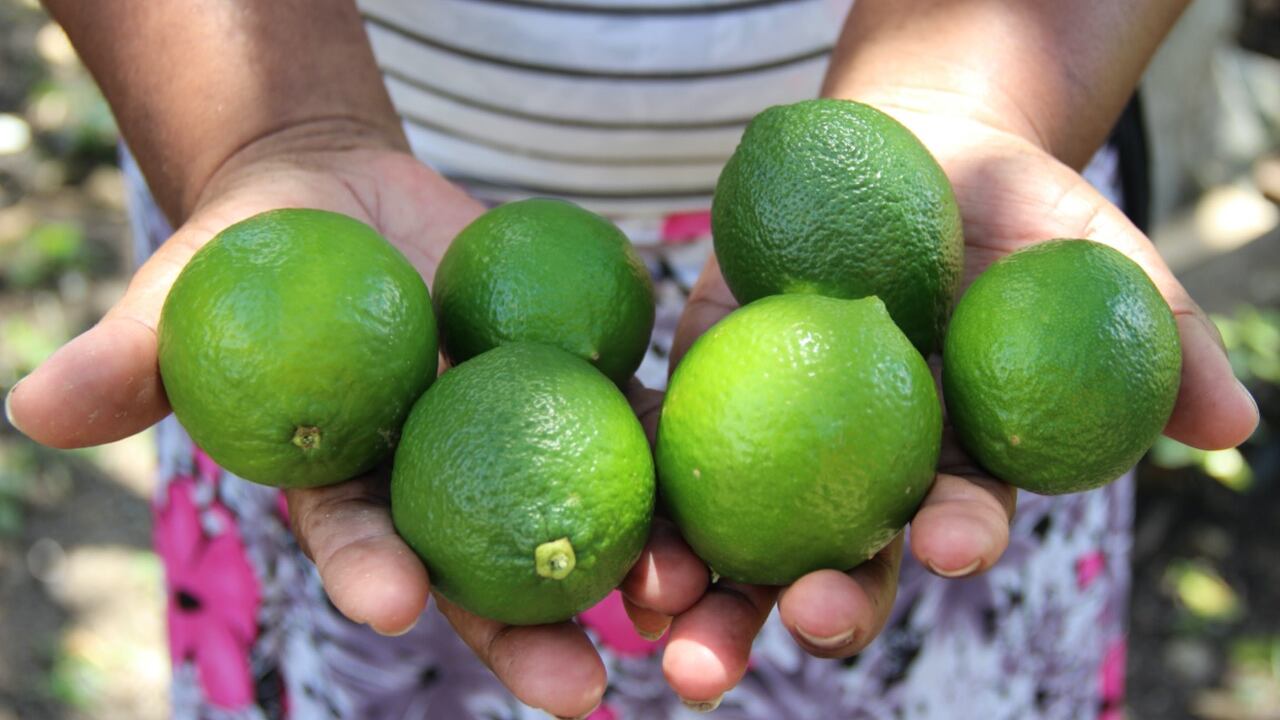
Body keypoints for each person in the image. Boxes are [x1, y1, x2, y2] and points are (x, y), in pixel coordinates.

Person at [4, 1, 1259, 718]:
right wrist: (267, 124)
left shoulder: (942, 298)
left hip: (949, 240)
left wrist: (982, 100)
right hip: (330, 237)